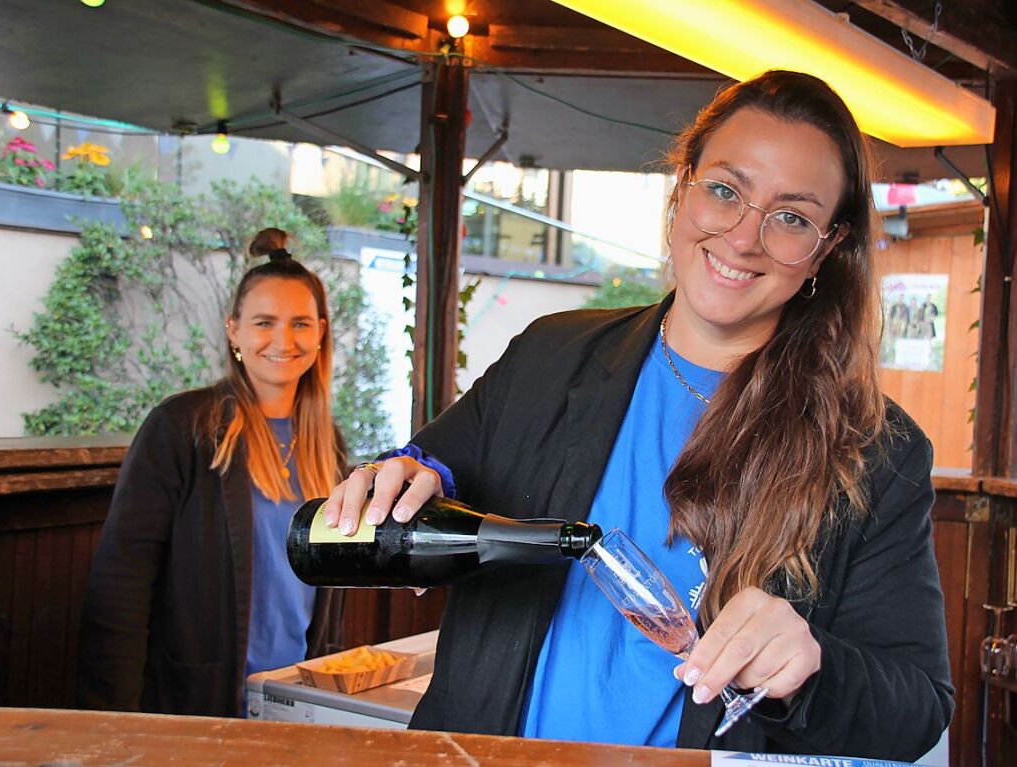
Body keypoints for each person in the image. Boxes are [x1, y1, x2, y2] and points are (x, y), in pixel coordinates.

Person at [326, 71, 952, 759]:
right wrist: (398, 480)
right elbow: (430, 466)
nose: (744, 237)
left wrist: (810, 667)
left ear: (824, 250)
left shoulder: (874, 450)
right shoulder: (549, 355)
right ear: (681, 187)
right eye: (724, 190)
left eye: (791, 217)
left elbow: (918, 705)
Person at [77, 228, 348, 716]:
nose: (283, 340)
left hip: (295, 703)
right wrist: (113, 722)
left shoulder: (328, 445)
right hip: (196, 704)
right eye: (264, 322)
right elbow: (119, 586)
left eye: (301, 324)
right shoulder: (182, 427)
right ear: (233, 330)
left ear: (321, 333)